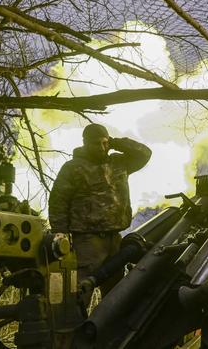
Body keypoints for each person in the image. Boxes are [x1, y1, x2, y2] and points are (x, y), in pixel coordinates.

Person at [49, 123, 151, 308]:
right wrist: (61, 235)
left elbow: (144, 153)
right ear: (85, 143)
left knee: (114, 299)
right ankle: (74, 334)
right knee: (79, 295)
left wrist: (115, 142)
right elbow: (58, 202)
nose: (101, 148)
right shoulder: (73, 168)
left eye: (104, 143)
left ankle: (106, 335)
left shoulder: (119, 162)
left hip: (115, 240)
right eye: (96, 143)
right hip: (87, 242)